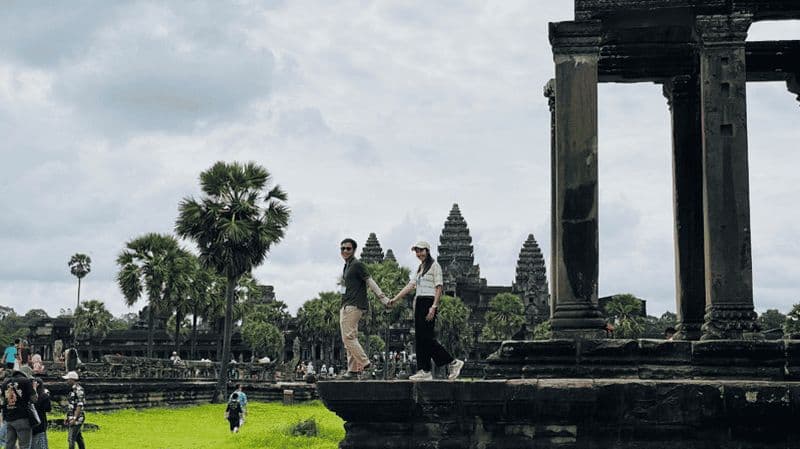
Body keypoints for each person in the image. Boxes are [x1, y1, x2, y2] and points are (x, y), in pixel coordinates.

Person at [389, 241, 464, 381]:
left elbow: (439, 287)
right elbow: (411, 286)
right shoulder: (420, 268)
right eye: (417, 251)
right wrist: (395, 298)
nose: (419, 254)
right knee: (420, 339)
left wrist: (434, 306)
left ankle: (453, 362)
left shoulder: (435, 266)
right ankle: (424, 370)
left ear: (427, 251)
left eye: (421, 251)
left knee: (427, 338)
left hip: (428, 302)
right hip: (419, 302)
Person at [338, 238, 389, 380]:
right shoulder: (346, 267)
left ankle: (365, 363)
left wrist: (382, 298)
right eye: (342, 248)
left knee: (347, 337)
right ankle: (352, 370)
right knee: (351, 338)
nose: (345, 251)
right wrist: (341, 303)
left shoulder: (357, 265)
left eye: (348, 248)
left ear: (353, 250)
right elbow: (343, 288)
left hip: (353, 305)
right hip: (346, 305)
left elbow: (369, 281)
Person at [1, 369, 36, 449]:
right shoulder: (25, 381)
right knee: (24, 446)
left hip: (9, 419)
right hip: (22, 418)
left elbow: (3, 401)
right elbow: (34, 399)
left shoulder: (5, 383)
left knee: (9, 445)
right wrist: (34, 388)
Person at [63, 371, 86, 449]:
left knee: (71, 438)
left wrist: (74, 418)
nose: (66, 381)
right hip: (72, 416)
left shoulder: (79, 390)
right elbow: (71, 405)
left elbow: (79, 405)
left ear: (72, 380)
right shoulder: (72, 390)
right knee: (78, 437)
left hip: (77, 417)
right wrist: (67, 417)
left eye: (68, 379)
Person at [31, 377, 51, 449]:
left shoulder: (29, 396)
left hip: (31, 422)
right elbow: (48, 409)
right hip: (41, 421)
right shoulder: (44, 395)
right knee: (41, 442)